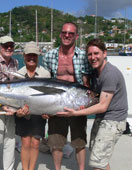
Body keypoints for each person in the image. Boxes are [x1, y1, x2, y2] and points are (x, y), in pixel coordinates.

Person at [57, 38, 128, 170]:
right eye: (89, 54)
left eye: (96, 53)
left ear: (104, 53)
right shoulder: (96, 72)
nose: (93, 57)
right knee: (100, 158)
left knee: (97, 162)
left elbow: (102, 106)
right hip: (102, 118)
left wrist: (75, 113)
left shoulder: (109, 74)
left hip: (113, 120)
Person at [42, 22, 92, 170]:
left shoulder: (83, 56)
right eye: (64, 32)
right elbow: (45, 84)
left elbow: (89, 82)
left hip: (77, 104)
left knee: (79, 142)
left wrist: (87, 104)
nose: (67, 35)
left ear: (76, 36)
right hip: (56, 104)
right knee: (56, 141)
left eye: (71, 33)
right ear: (60, 34)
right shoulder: (49, 55)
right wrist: (45, 107)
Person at [0, 35, 29, 170]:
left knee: (10, 142)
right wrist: (6, 106)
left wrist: (15, 107)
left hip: (10, 108)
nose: (9, 48)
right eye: (5, 46)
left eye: (11, 46)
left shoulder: (15, 63)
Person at [15, 41, 50, 170]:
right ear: (24, 56)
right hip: (23, 111)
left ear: (38, 56)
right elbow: (14, 98)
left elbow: (48, 97)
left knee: (35, 143)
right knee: (25, 142)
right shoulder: (18, 74)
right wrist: (17, 111)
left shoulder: (45, 74)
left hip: (39, 112)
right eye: (29, 55)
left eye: (34, 55)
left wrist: (48, 113)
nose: (31, 58)